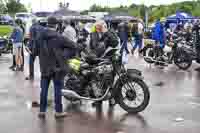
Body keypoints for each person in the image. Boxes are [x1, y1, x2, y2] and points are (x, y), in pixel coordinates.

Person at [37, 16, 78, 118]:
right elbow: (74, 46)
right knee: (57, 90)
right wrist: (64, 55)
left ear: (47, 24)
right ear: (56, 25)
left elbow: (34, 50)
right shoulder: (59, 37)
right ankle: (58, 112)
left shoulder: (40, 36)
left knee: (44, 90)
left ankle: (42, 111)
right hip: (57, 68)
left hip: (44, 67)